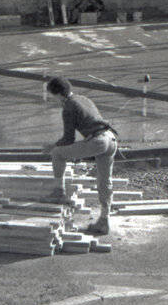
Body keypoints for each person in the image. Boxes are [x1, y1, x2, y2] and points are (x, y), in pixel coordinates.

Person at [43, 76, 118, 236]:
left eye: (52, 96)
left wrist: (51, 146)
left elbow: (68, 139)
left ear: (58, 94)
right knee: (105, 182)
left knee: (57, 154)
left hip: (97, 141)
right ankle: (104, 221)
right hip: (110, 139)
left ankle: (59, 192)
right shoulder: (83, 98)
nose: (53, 100)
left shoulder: (68, 107)